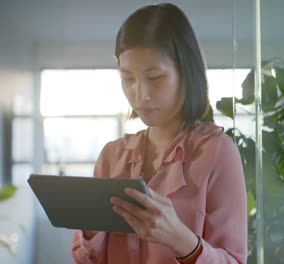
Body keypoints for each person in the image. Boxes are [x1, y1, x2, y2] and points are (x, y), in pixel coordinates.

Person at [71, 3, 247, 264]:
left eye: (154, 77)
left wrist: (181, 240)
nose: (140, 95)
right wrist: (89, 229)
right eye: (128, 78)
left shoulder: (217, 151)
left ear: (186, 72)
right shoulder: (111, 156)